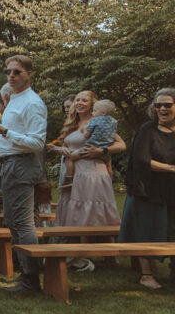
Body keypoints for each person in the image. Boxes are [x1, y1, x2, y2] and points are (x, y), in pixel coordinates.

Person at [0, 55, 49, 293]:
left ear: (29, 74)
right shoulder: (14, 99)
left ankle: (31, 280)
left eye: (17, 72)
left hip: (23, 164)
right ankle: (26, 274)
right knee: (12, 221)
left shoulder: (32, 103)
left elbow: (36, 142)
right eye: (9, 72)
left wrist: (4, 131)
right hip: (11, 163)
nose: (11, 76)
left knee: (23, 223)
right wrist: (2, 153)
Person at [49, 90, 123, 272]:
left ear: (93, 104)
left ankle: (107, 257)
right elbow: (69, 146)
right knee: (74, 211)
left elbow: (121, 145)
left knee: (93, 212)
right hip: (71, 172)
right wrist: (59, 150)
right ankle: (76, 255)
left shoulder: (99, 121)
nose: (80, 103)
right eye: (78, 100)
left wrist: (102, 151)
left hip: (91, 172)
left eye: (84, 100)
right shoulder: (72, 123)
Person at [119, 88, 175, 289]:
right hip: (147, 189)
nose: (162, 108)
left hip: (171, 190)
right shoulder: (147, 130)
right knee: (147, 230)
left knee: (171, 230)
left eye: (167, 105)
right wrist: (170, 168)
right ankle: (147, 275)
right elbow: (141, 160)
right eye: (158, 105)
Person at [62, 99, 118, 188]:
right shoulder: (114, 121)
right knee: (108, 165)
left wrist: (84, 131)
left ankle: (69, 178)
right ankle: (109, 182)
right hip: (106, 146)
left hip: (90, 147)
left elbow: (87, 134)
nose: (93, 113)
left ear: (103, 112)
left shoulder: (94, 120)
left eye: (94, 111)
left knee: (70, 157)